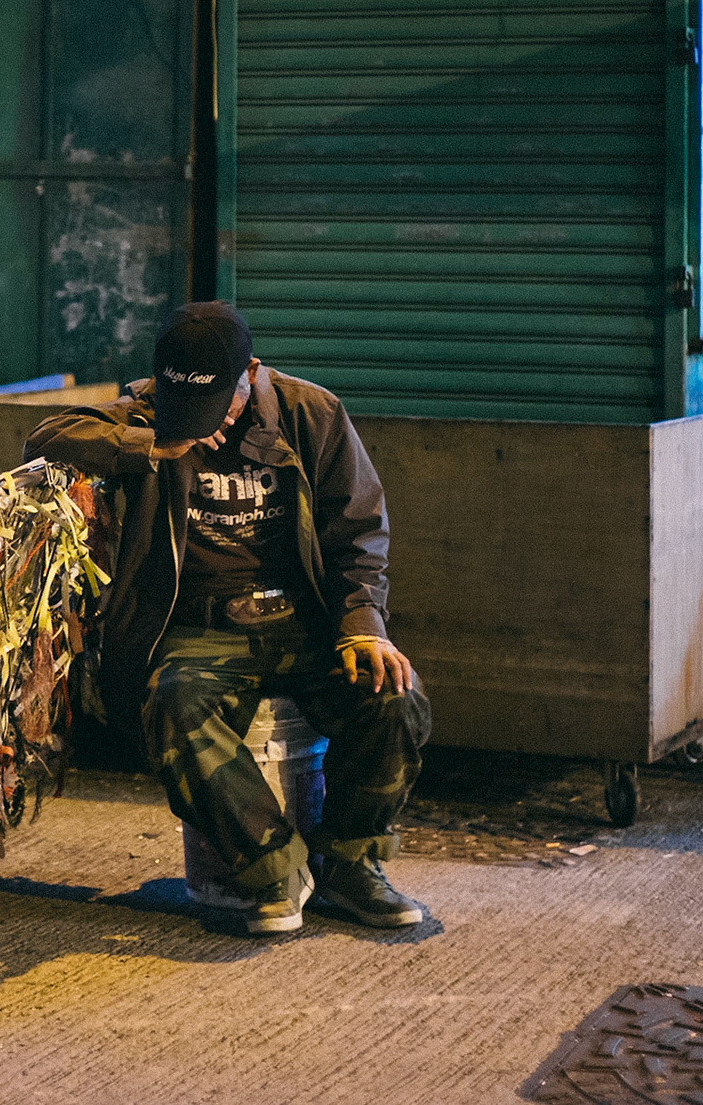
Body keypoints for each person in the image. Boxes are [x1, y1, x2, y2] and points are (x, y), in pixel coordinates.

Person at [25, 301, 430, 935]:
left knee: (393, 696)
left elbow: (358, 532)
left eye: (222, 403)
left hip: (305, 620)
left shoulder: (311, 414)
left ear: (252, 373)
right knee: (173, 703)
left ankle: (350, 866)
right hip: (196, 629)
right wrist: (149, 443)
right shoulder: (148, 416)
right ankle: (272, 869)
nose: (213, 422)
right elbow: (44, 438)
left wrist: (362, 625)